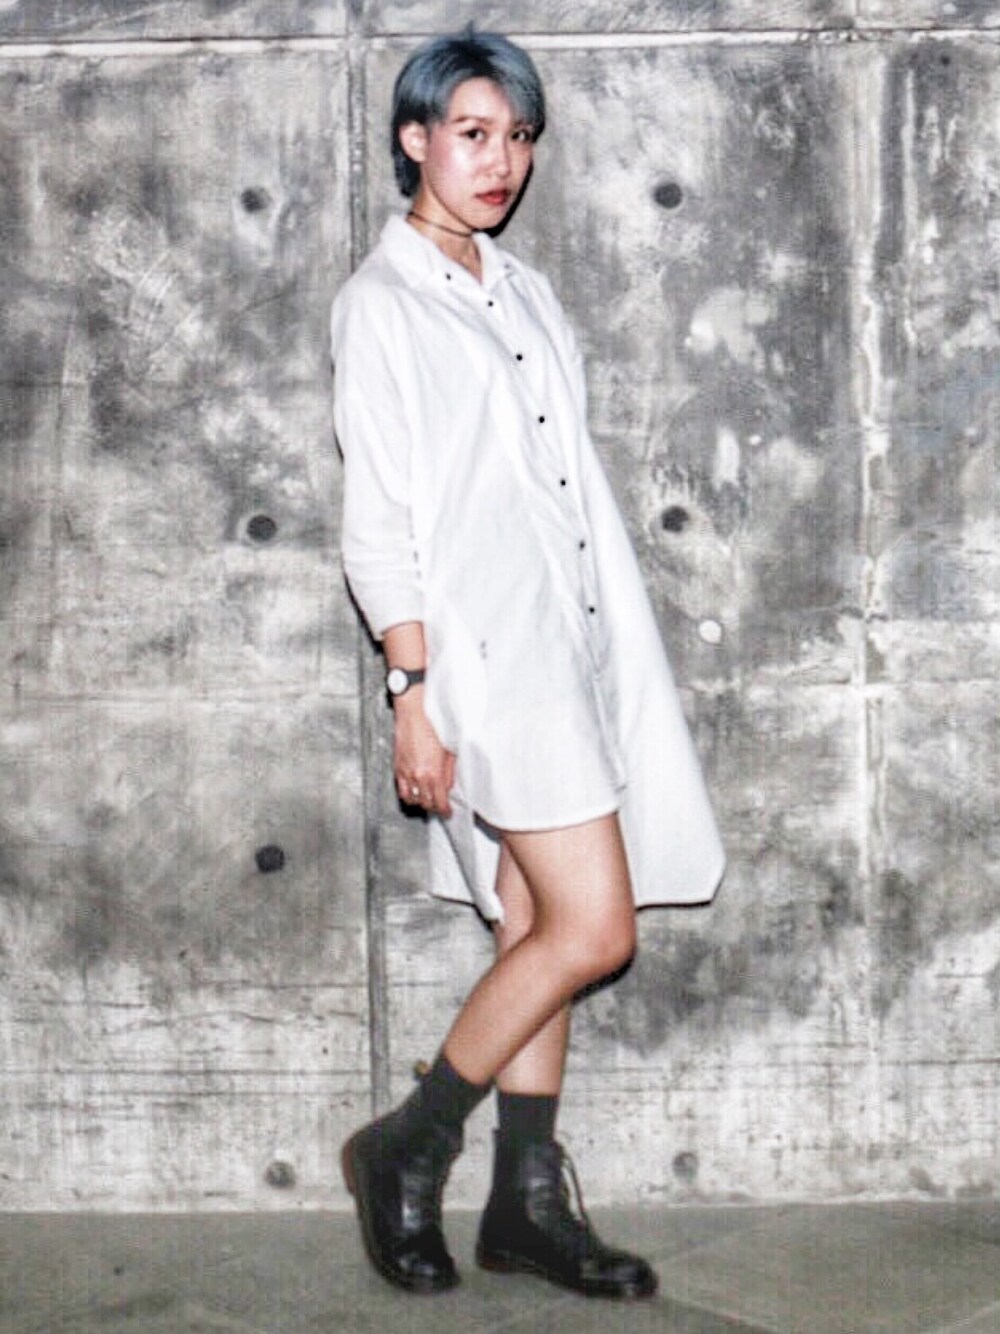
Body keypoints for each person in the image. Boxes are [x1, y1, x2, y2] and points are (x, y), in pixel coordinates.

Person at [330, 28, 724, 1300]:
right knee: (593, 927)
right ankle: (411, 1140)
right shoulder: (380, 305)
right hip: (486, 665)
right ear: (415, 140)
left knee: (531, 924)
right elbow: (378, 521)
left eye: (516, 137)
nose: (499, 160)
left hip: (574, 643)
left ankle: (523, 1200)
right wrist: (411, 692)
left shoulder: (528, 292)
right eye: (471, 133)